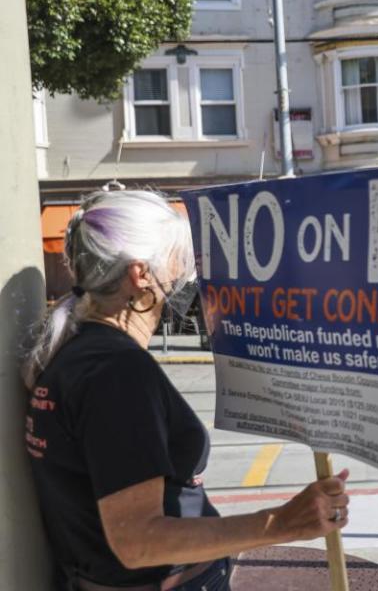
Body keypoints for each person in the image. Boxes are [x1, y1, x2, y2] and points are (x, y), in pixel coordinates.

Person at [23, 190, 350, 591]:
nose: (188, 272)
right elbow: (137, 542)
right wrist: (281, 523)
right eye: (179, 255)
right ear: (140, 275)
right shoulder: (117, 372)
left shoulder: (77, 353)